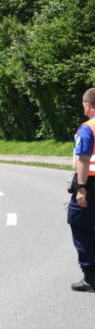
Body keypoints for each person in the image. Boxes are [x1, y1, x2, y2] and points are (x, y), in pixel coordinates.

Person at [68, 88, 95, 291]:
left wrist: (81, 188)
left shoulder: (87, 128)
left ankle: (90, 277)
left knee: (80, 224)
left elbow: (84, 159)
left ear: (87, 106)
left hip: (91, 185)